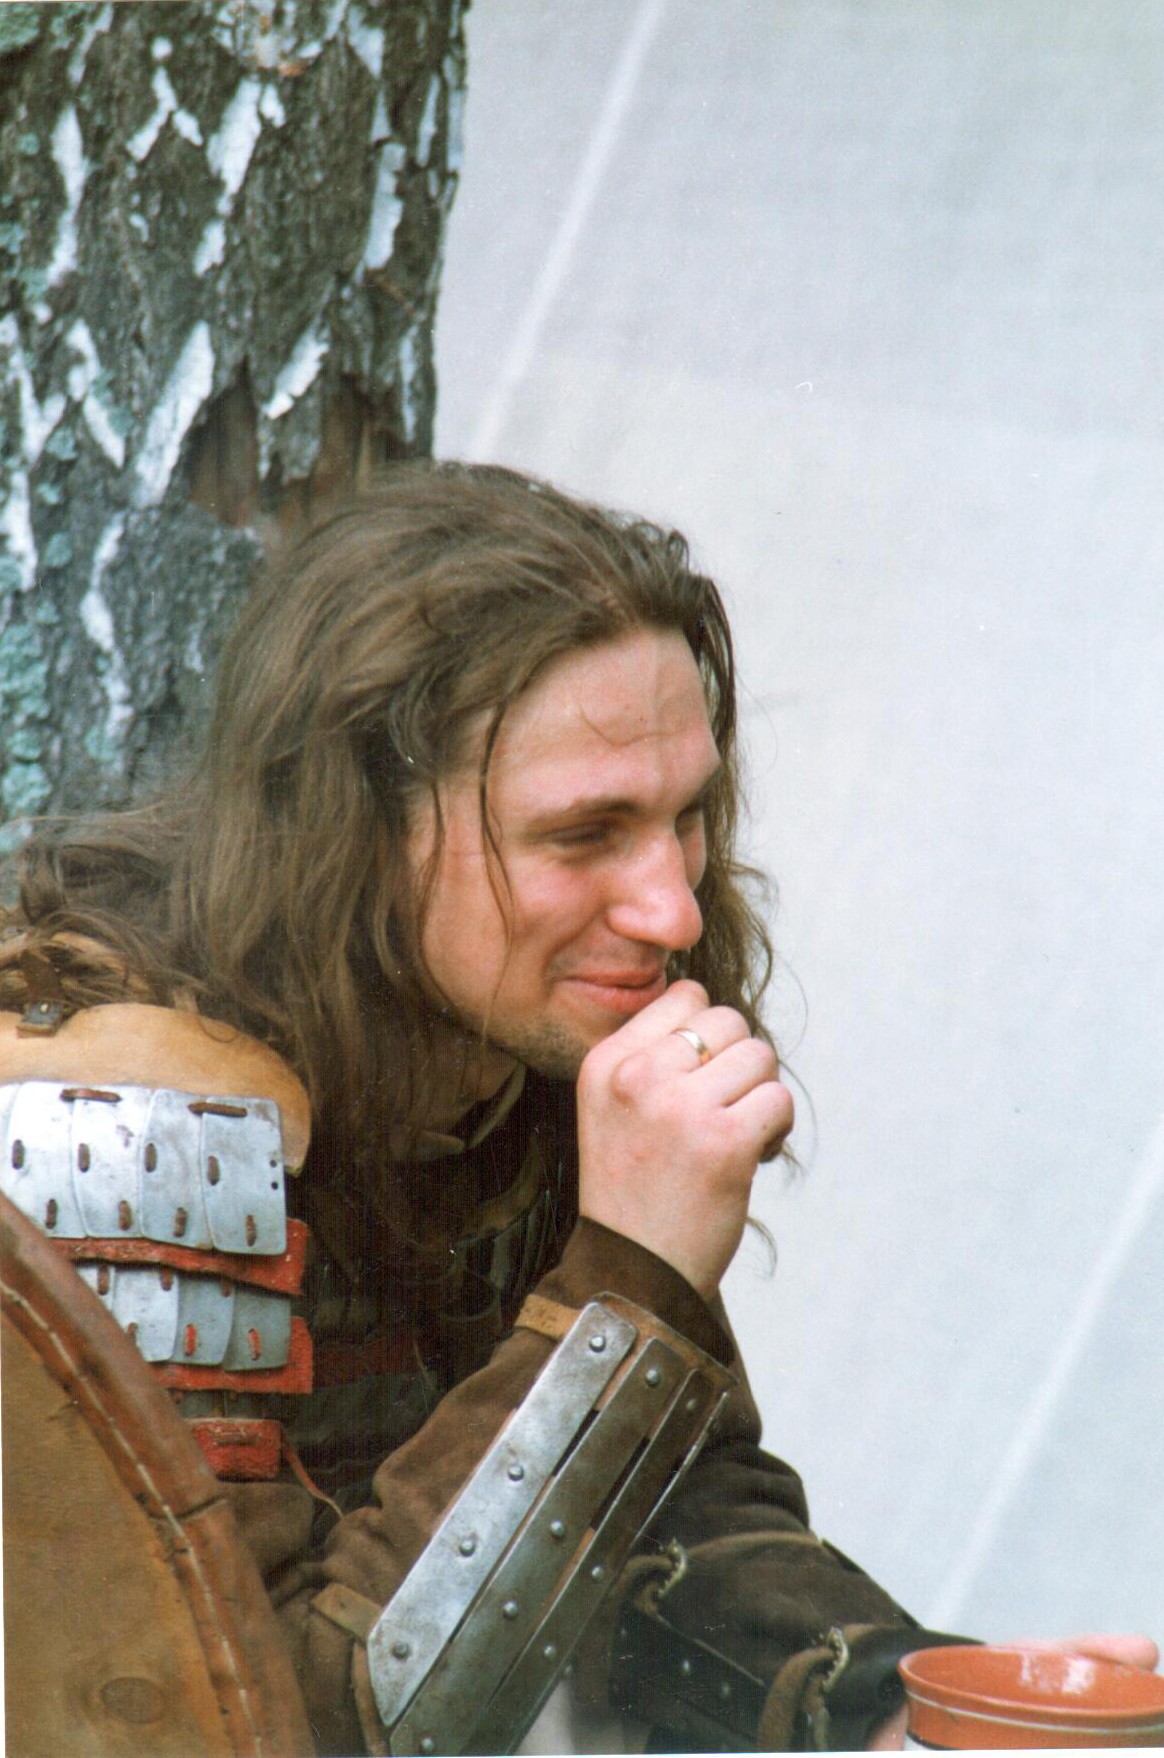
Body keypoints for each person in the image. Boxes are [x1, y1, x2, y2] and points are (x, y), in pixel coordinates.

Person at [0, 463, 1154, 1754]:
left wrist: (890, 1700)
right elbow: (253, 1729)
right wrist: (632, 1281)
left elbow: (652, 1514)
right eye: (584, 833)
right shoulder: (121, 1126)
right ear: (357, 828)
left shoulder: (515, 1021)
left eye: (684, 818)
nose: (672, 909)